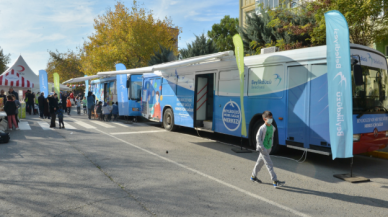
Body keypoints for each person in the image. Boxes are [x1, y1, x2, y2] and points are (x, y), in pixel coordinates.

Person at [251, 111, 285, 188]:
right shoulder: (262, 128)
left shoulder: (272, 128)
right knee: (269, 164)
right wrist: (262, 147)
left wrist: (271, 146)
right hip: (264, 149)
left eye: (271, 118)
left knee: (259, 163)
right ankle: (275, 181)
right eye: (269, 118)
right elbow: (258, 137)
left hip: (268, 148)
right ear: (264, 119)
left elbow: (271, 137)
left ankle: (253, 176)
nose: (271, 119)